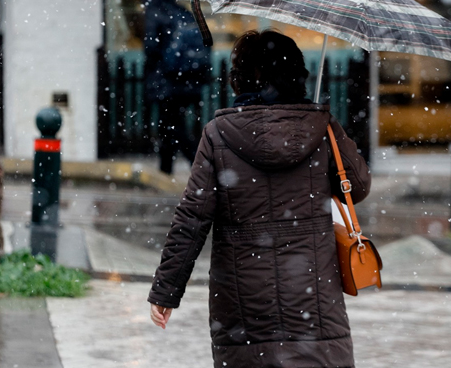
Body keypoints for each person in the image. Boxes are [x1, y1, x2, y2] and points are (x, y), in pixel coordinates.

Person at [148, 30, 371, 368]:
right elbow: (358, 186)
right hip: (315, 305)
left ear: (242, 79)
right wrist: (327, 128)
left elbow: (192, 219)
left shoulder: (218, 135)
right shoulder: (322, 128)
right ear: (297, 75)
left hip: (243, 307)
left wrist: (167, 290)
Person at [142, 0, 211, 175]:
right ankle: (166, 170)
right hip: (187, 81)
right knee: (170, 127)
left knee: (173, 127)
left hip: (168, 82)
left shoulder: (154, 13)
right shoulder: (182, 13)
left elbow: (150, 48)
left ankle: (200, 165)